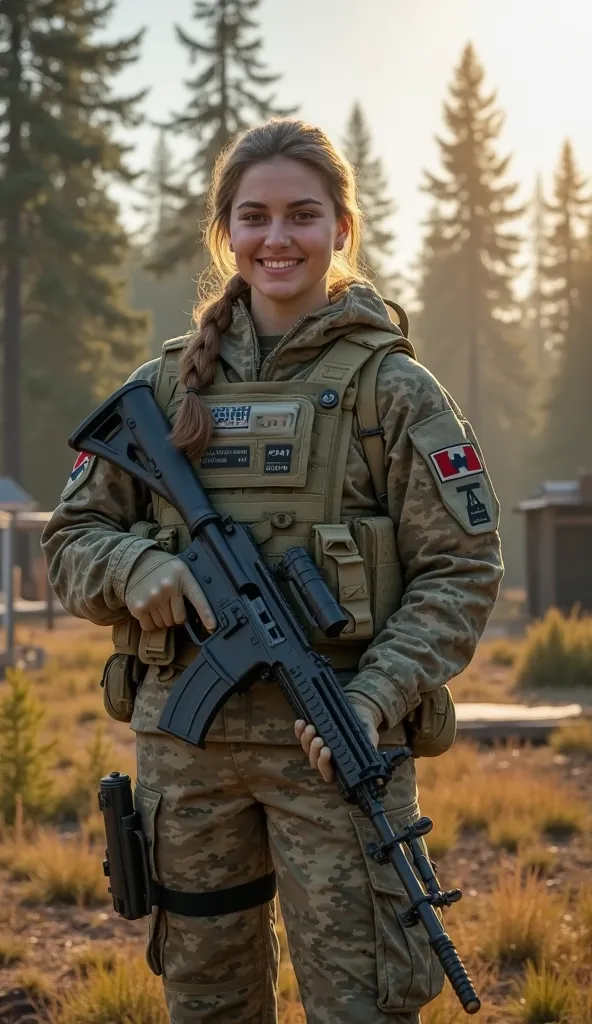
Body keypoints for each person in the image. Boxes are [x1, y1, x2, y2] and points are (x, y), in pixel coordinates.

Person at [42, 118, 503, 1024]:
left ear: (342, 228)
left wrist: (371, 697)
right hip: (188, 757)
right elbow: (70, 539)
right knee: (207, 1003)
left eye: (303, 214)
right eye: (254, 216)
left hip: (338, 753)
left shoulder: (394, 390)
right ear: (227, 233)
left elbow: (461, 568)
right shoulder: (166, 392)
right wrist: (134, 565)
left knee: (361, 1003)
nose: (278, 237)